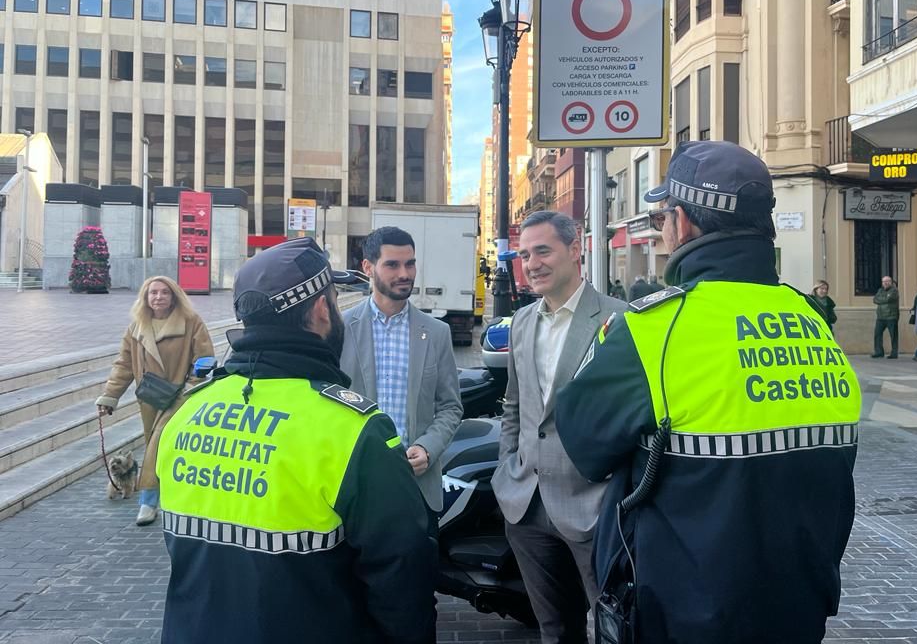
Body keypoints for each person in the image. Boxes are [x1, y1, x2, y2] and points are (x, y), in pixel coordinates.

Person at [556, 141, 861, 644]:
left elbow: (582, 445)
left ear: (684, 223)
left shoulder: (654, 327)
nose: (662, 230)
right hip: (800, 606)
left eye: (661, 218)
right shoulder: (811, 320)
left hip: (683, 613)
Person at [155, 237, 436, 644]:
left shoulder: (187, 414)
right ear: (322, 309)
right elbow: (402, 577)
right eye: (334, 299)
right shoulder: (354, 428)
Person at [491, 210, 627, 644]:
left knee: (616, 628)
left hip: (595, 507)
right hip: (526, 506)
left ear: (575, 249)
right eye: (525, 254)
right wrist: (506, 469)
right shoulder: (523, 321)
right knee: (555, 630)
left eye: (543, 250)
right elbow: (514, 404)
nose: (532, 264)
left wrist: (616, 493)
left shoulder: (621, 320)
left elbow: (633, 416)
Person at [340, 226, 463, 525]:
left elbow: (450, 407)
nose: (404, 273)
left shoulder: (436, 333)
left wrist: (427, 448)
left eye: (410, 263)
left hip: (416, 488)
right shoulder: (340, 330)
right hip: (354, 486)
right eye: (392, 264)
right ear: (368, 267)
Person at [96, 276, 213, 527]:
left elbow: (205, 358)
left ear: (174, 296)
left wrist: (191, 386)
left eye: (164, 293)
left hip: (179, 396)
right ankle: (177, 498)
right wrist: (110, 395)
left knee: (155, 447)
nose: (158, 297)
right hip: (150, 398)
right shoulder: (136, 328)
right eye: (153, 293)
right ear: (145, 298)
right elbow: (124, 364)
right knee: (160, 448)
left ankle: (148, 502)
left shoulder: (191, 323)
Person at [872, 275, 900, 358]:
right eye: (884, 281)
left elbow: (888, 299)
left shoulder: (894, 290)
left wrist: (881, 299)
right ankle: (879, 352)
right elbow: (875, 299)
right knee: (877, 334)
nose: (885, 283)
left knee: (893, 336)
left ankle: (894, 353)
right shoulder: (880, 290)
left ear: (891, 282)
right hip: (880, 317)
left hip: (891, 316)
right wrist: (883, 298)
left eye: (887, 281)